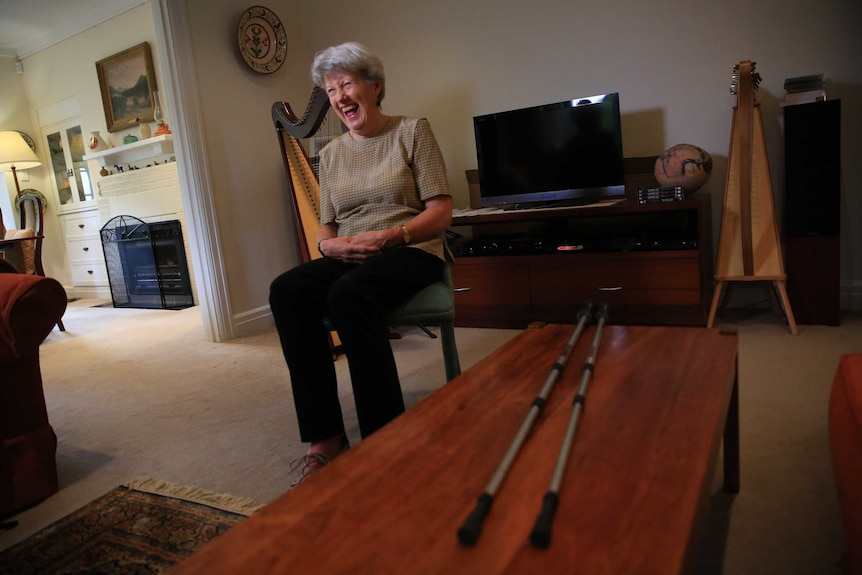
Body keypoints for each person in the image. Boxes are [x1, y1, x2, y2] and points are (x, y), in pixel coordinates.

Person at [269, 42, 453, 487]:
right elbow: (327, 229)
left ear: (375, 86)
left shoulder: (412, 131)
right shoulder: (330, 154)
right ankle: (326, 436)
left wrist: (393, 235)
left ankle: (385, 436)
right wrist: (331, 249)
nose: (339, 97)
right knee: (287, 289)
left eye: (346, 84)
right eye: (331, 90)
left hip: (410, 249)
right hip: (352, 253)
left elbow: (441, 212)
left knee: (349, 294)